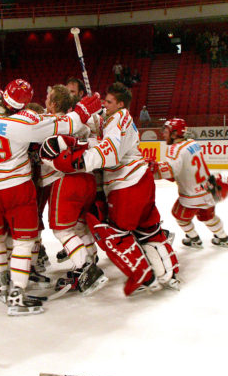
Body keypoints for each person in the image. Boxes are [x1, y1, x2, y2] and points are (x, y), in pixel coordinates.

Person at [0, 79, 101, 316]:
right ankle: (17, 295)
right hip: (16, 186)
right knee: (23, 242)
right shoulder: (27, 122)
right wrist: (83, 111)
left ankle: (1, 284)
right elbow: (67, 124)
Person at [48, 82, 180, 296]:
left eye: (108, 102)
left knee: (115, 233)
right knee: (150, 230)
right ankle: (169, 272)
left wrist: (79, 162)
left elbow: (109, 152)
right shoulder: (120, 117)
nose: (104, 104)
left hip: (126, 184)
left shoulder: (118, 119)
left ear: (120, 104)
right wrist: (90, 115)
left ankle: (144, 277)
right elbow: (104, 135)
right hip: (140, 180)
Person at [38, 85, 105, 296]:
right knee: (79, 224)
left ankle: (84, 267)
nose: (45, 101)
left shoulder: (51, 123)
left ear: (55, 104)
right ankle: (91, 258)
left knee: (62, 229)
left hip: (65, 181)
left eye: (48, 98)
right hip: (88, 178)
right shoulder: (83, 123)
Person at [152, 118, 228, 249]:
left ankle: (194, 238)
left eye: (166, 131)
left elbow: (171, 170)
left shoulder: (174, 149)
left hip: (190, 196)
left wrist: (152, 169)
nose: (163, 134)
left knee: (180, 217)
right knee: (208, 217)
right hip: (207, 191)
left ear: (174, 133)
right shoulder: (193, 143)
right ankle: (224, 238)